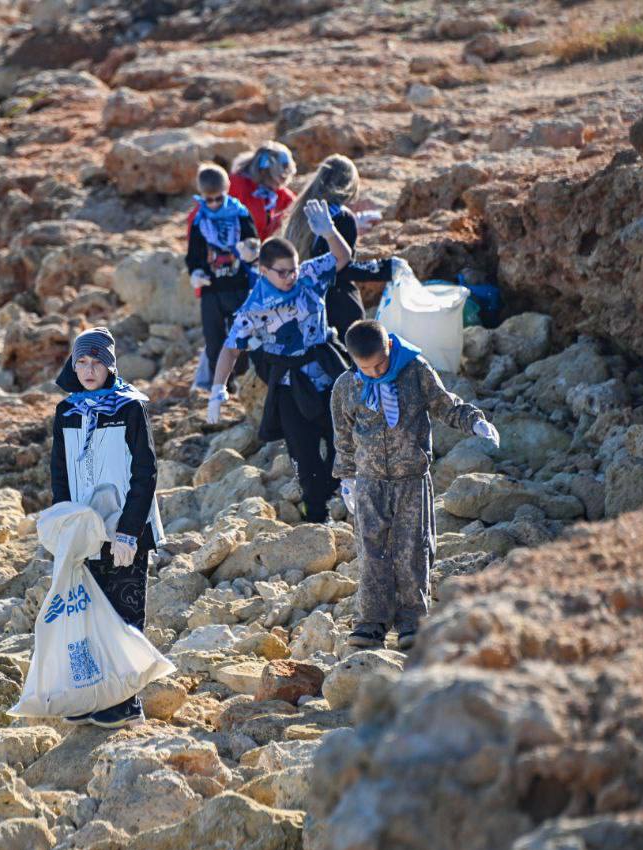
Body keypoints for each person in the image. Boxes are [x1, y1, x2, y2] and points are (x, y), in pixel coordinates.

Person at [331, 319, 501, 652]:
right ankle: (371, 623)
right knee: (371, 551)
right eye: (367, 368)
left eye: (381, 365)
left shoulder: (415, 370)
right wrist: (346, 477)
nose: (376, 373)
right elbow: (343, 436)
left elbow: (445, 404)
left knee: (414, 549)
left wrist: (475, 421)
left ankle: (412, 622)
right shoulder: (346, 386)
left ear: (389, 347)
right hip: (369, 482)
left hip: (411, 479)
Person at [206, 200, 353, 523]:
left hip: (327, 369)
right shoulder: (255, 306)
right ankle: (317, 514)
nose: (290, 277)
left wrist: (330, 233)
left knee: (343, 435)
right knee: (303, 451)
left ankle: (346, 490)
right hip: (290, 382)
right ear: (264, 271)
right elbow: (231, 349)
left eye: (293, 269)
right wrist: (217, 389)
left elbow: (342, 257)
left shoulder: (309, 275)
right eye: (282, 272)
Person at [50, 327, 163, 729]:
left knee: (124, 614)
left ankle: (127, 701)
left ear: (110, 366)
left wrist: (129, 530)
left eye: (96, 362)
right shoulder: (67, 412)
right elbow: (60, 474)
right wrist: (64, 525)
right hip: (85, 531)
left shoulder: (130, 407)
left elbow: (145, 471)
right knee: (85, 614)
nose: (88, 370)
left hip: (126, 530)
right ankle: (92, 695)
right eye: (81, 361)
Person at [281, 154, 395, 343]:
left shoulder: (302, 211)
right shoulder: (342, 217)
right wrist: (386, 268)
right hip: (338, 306)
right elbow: (341, 265)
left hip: (304, 304)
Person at [185, 163, 259, 390]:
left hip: (238, 286)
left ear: (227, 190)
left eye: (219, 198)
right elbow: (193, 254)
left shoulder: (240, 213)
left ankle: (242, 381)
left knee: (242, 336)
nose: (215, 204)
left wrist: (251, 251)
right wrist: (195, 272)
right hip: (212, 289)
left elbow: (253, 241)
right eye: (209, 200)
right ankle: (220, 385)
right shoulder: (199, 220)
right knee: (213, 341)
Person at [228, 142, 297, 238]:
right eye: (275, 178)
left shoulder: (279, 193)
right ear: (264, 172)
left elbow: (295, 208)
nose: (278, 185)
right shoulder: (237, 184)